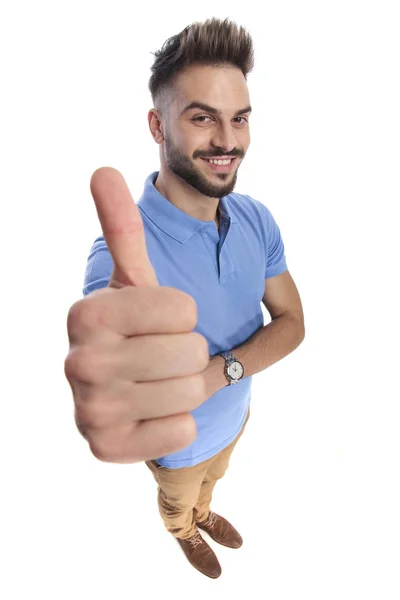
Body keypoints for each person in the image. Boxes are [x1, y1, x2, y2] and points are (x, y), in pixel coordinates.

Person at [64, 17, 305, 579]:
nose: (227, 141)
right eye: (202, 118)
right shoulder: (121, 262)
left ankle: (205, 509)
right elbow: (107, 335)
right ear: (158, 124)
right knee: (180, 494)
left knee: (215, 477)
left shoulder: (256, 217)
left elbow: (293, 322)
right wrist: (109, 381)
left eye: (239, 119)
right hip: (177, 447)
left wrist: (217, 376)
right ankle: (181, 526)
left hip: (235, 417)